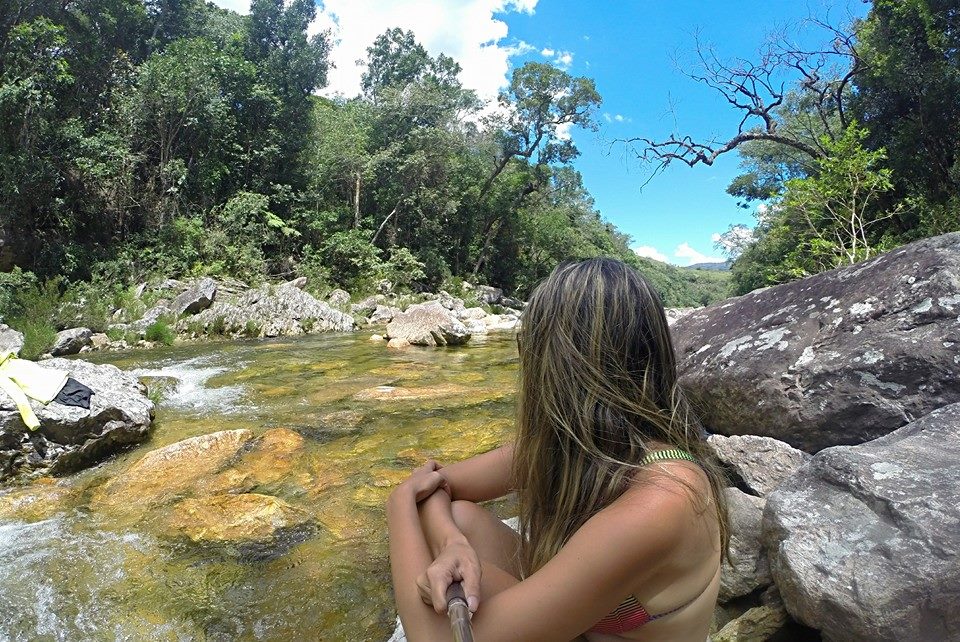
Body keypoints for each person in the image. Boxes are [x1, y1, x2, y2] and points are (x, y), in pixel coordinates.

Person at [387, 258, 729, 642]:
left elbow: (433, 640)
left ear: (548, 366)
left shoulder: (663, 498)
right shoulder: (575, 447)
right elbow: (440, 484)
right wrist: (453, 541)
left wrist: (399, 501)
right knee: (460, 517)